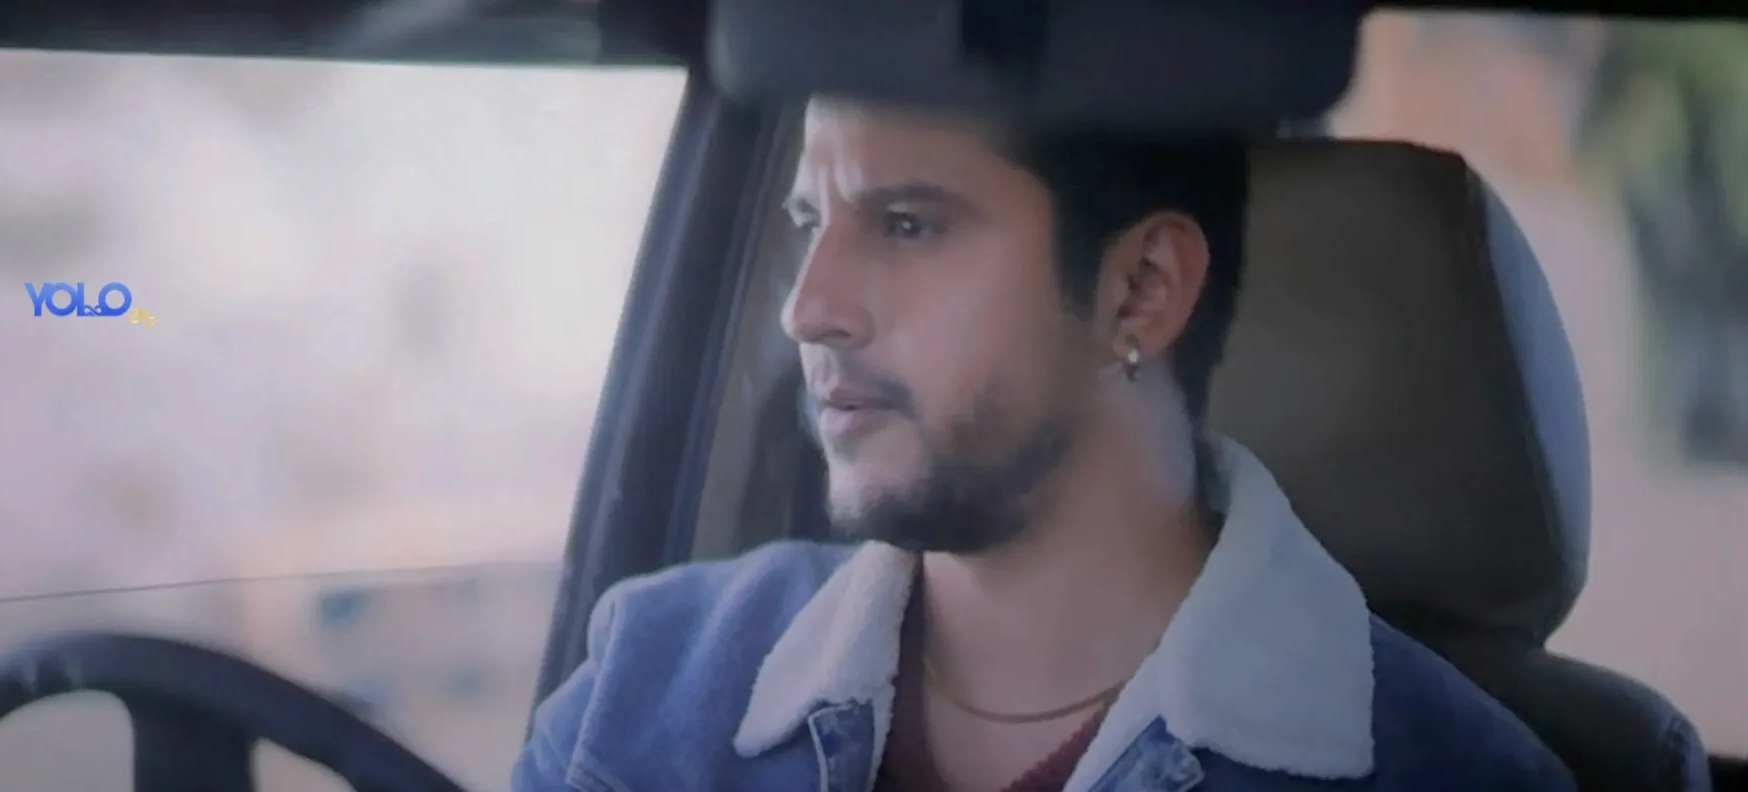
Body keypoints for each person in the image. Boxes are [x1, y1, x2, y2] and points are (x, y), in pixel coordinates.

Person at [512, 98, 1575, 792]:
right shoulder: (645, 686)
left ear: (1141, 289)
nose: (810, 307)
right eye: (808, 223)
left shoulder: (1459, 776)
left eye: (907, 225)